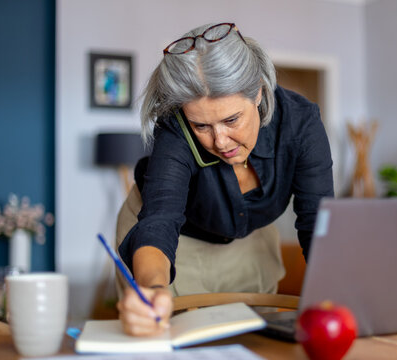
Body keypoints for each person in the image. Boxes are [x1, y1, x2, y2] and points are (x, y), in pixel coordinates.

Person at [116, 22, 334, 336]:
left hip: (249, 239)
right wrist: (152, 289)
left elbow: (317, 223)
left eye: (231, 119)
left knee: (259, 342)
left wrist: (335, 292)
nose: (220, 141)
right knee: (168, 337)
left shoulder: (300, 123)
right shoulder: (175, 129)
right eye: (201, 126)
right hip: (173, 246)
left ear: (258, 91)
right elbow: (159, 222)